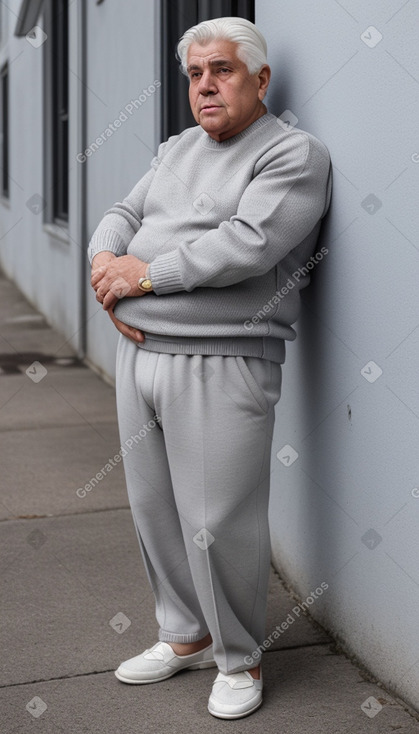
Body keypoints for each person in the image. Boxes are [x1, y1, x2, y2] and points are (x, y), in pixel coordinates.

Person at [88, 16, 332, 720]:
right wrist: (103, 265)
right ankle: (183, 632)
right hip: (140, 354)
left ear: (259, 79)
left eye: (221, 70)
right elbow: (120, 211)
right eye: (194, 74)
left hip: (224, 358)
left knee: (218, 520)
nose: (205, 86)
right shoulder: (175, 149)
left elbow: (249, 244)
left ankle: (240, 657)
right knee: (154, 511)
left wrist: (142, 276)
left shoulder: (291, 153)